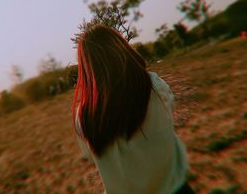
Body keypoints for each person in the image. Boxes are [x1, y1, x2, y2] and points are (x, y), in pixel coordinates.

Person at [72, 24, 195, 194]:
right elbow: (169, 111)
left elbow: (91, 156)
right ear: (121, 48)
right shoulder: (154, 86)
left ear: (86, 67)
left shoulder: (83, 118)